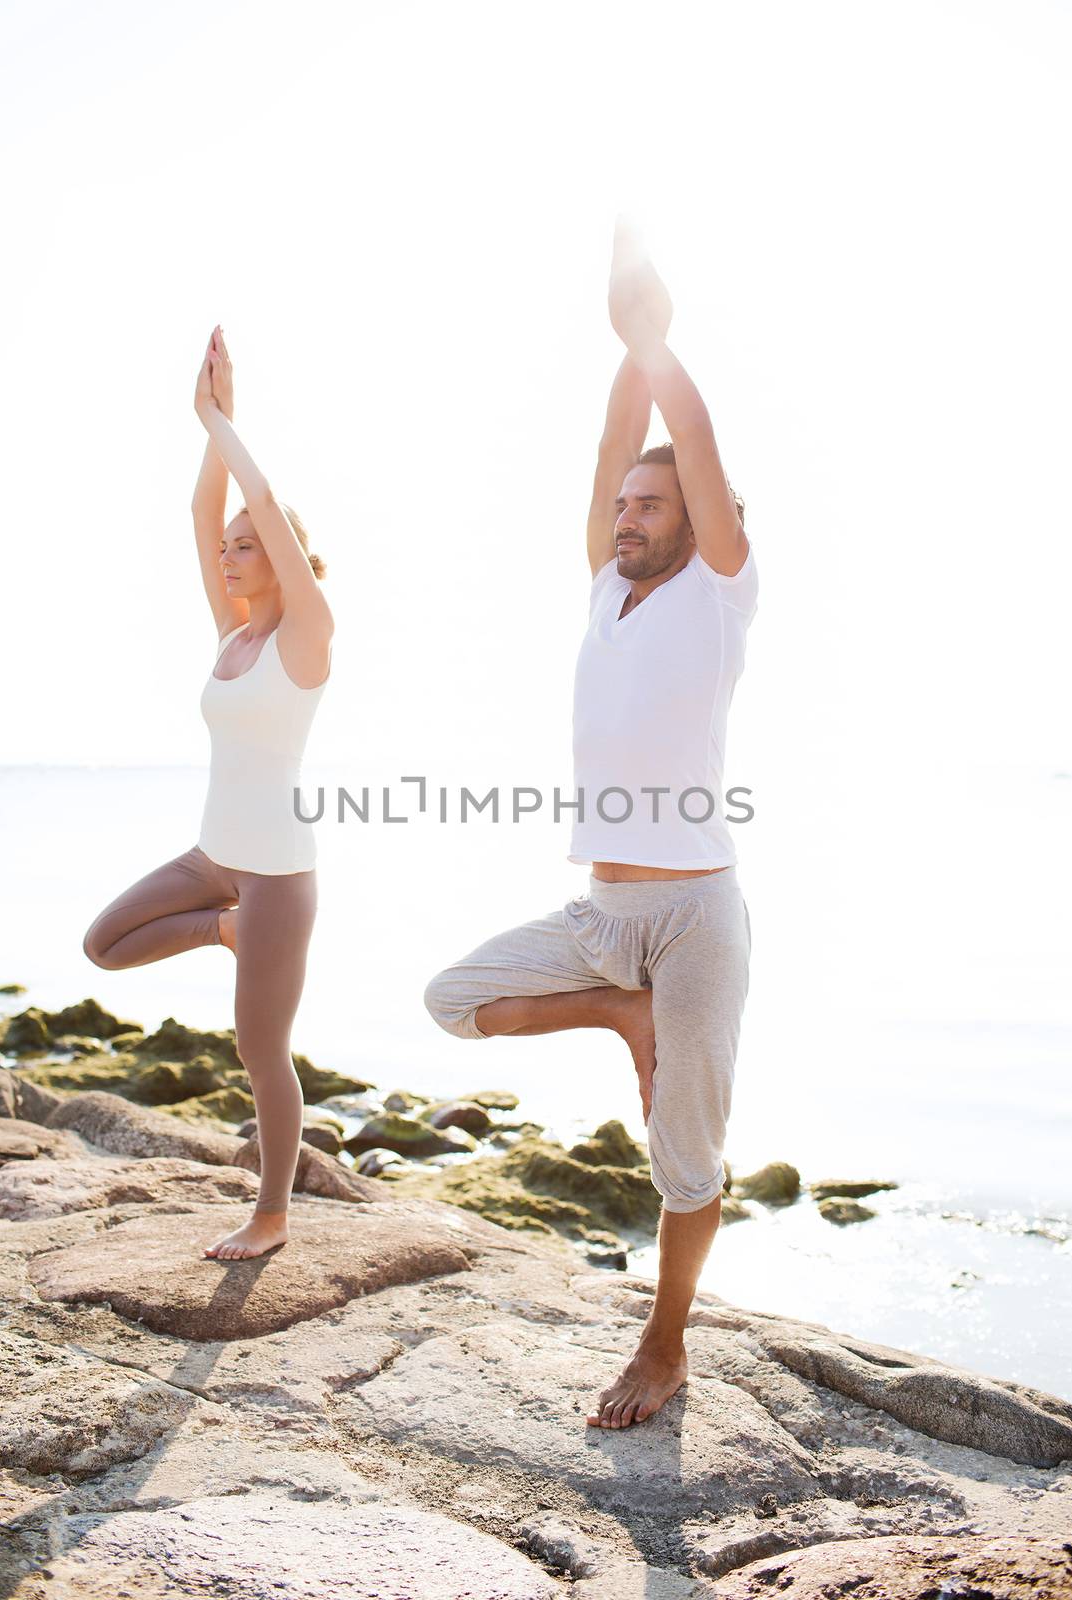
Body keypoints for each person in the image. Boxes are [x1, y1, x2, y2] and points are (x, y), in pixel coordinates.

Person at [423, 221, 758, 1428]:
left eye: (648, 503)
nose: (624, 512)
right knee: (455, 1000)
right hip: (601, 914)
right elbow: (619, 439)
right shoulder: (605, 588)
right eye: (620, 501)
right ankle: (619, 1013)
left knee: (687, 1159)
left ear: (699, 517)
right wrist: (626, 341)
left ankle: (664, 1344)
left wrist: (661, 343)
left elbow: (692, 445)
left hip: (695, 918)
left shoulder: (721, 588)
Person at [81, 326, 334, 1262]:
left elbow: (255, 501)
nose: (228, 555)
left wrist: (221, 418)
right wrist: (209, 428)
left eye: (245, 547)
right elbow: (205, 512)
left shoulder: (305, 633)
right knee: (105, 943)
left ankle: (271, 1215)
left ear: (279, 556)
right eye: (227, 549)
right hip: (213, 858)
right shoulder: (228, 634)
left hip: (278, 870)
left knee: (259, 1052)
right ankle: (220, 933)